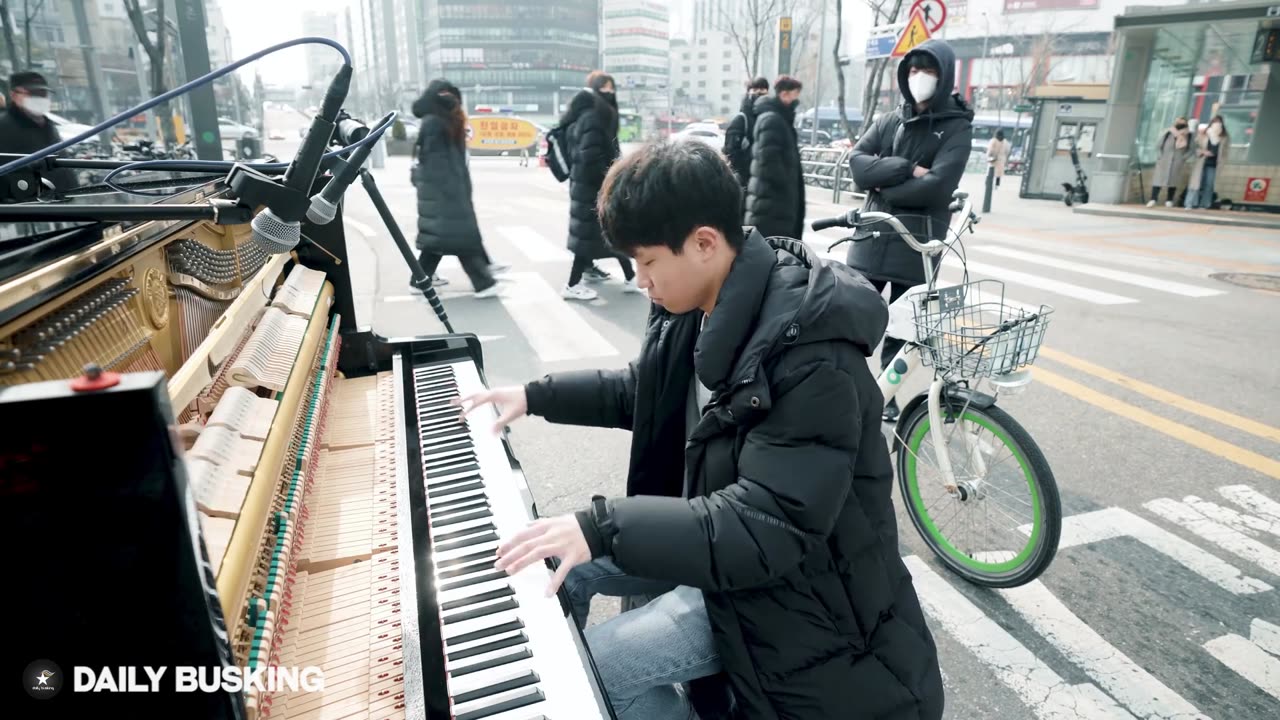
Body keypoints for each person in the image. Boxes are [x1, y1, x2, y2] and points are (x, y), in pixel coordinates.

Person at [455, 139, 945, 720]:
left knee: (599, 668)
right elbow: (643, 392)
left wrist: (604, 525)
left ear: (704, 244)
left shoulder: (811, 353)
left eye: (647, 262)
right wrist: (533, 396)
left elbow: (768, 523)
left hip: (792, 594)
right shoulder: (698, 307)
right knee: (554, 564)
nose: (639, 280)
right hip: (719, 543)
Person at [845, 39, 973, 422]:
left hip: (915, 244)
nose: (919, 77)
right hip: (870, 238)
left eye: (929, 70)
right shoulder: (889, 119)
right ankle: (846, 389)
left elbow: (937, 186)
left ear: (945, 76)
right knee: (851, 321)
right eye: (913, 70)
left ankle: (884, 398)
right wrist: (905, 168)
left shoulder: (955, 129)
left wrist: (882, 181)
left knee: (902, 330)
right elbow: (857, 165)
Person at [411, 78, 500, 298]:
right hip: (444, 192)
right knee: (458, 236)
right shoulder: (435, 122)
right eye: (443, 94)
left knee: (438, 239)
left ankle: (419, 280)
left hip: (445, 191)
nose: (450, 99)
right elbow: (436, 163)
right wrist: (453, 192)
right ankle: (483, 282)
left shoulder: (443, 120)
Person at [559, 71, 642, 300]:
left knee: (599, 235)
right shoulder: (595, 117)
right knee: (603, 234)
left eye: (612, 88)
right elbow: (591, 157)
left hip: (588, 187)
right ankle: (572, 285)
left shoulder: (588, 115)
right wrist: (611, 178)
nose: (610, 92)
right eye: (605, 88)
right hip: (594, 187)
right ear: (596, 91)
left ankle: (627, 276)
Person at [743, 75, 805, 240]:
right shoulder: (772, 120)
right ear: (784, 94)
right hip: (771, 205)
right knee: (770, 255)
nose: (795, 101)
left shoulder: (779, 119)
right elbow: (768, 162)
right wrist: (787, 185)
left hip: (775, 204)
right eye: (794, 96)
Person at [0, 71, 77, 191]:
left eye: (43, 94)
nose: (39, 99)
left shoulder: (49, 126)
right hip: (26, 205)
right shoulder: (4, 127)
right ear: (14, 95)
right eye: (33, 94)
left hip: (64, 200)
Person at [723, 76, 770, 199]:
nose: (760, 94)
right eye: (756, 90)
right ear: (749, 92)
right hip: (745, 184)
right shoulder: (741, 120)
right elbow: (730, 152)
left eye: (764, 90)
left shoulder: (770, 119)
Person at [1185, 116, 1229, 210]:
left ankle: (1205, 204)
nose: (1216, 124)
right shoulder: (1204, 133)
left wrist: (1221, 161)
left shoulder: (1224, 137)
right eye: (1214, 122)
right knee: (1195, 183)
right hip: (1201, 161)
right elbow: (1195, 146)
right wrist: (1202, 152)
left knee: (1209, 185)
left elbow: (1225, 151)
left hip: (1213, 164)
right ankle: (1190, 203)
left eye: (1218, 122)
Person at [1149, 117, 1191, 207]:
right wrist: (1160, 156)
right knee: (1158, 180)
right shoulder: (1168, 132)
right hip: (1164, 160)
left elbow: (1192, 149)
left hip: (1177, 160)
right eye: (1178, 122)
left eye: (1182, 122)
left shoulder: (1189, 135)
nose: (1180, 124)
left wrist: (1183, 158)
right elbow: (1158, 145)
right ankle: (1153, 199)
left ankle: (1169, 200)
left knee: (1173, 181)